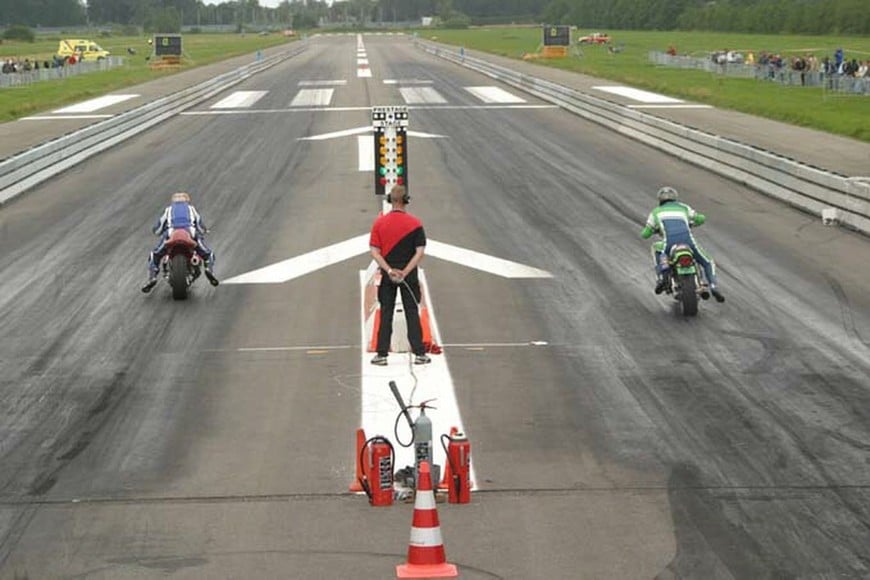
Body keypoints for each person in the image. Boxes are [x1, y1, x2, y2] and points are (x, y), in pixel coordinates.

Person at [369, 185, 431, 366]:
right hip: (408, 276)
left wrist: (389, 270)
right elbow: (420, 251)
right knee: (412, 312)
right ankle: (419, 353)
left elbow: (375, 251)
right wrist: (406, 270)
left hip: (388, 276)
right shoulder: (416, 224)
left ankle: (382, 354)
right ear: (407, 200)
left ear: (389, 200)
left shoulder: (379, 223)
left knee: (386, 312)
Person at [640, 186, 724, 303]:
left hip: (669, 243)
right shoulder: (684, 207)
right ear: (675, 198)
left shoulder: (655, 212)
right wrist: (694, 222)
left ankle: (661, 279)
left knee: (659, 251)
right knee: (708, 261)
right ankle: (714, 287)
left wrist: (653, 230)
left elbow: (645, 234)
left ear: (660, 200)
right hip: (688, 241)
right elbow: (701, 218)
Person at [141, 192, 219, 293]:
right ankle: (209, 269)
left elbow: (159, 227)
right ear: (187, 200)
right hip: (190, 231)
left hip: (171, 232)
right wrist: (204, 230)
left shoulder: (168, 209)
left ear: (173, 201)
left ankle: (152, 277)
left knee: (155, 254)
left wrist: (156, 231)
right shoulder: (191, 209)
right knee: (207, 254)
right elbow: (199, 224)